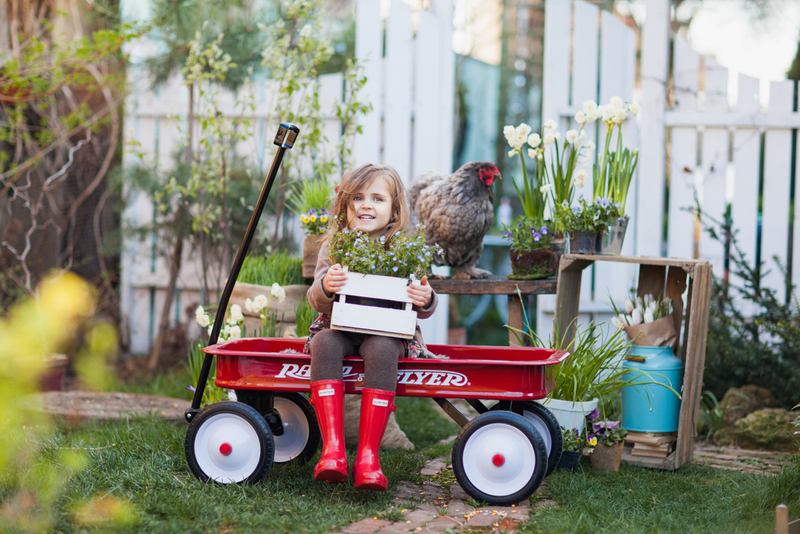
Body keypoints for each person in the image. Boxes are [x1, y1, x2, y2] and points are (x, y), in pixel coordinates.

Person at [304, 163, 438, 491]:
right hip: (341, 325)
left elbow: (424, 304)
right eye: (358, 198)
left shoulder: (403, 247)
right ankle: (333, 451)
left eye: (377, 198)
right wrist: (327, 285)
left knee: (381, 348)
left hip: (386, 330)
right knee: (324, 344)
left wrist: (425, 296)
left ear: (394, 209)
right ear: (345, 207)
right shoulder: (335, 246)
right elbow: (315, 297)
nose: (366, 205)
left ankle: (368, 457)